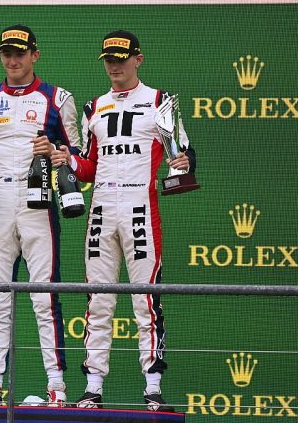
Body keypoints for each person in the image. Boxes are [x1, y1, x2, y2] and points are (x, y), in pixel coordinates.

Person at [52, 30, 195, 412]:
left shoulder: (160, 102)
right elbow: (88, 167)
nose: (114, 65)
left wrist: (184, 162)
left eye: (121, 58)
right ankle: (92, 387)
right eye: (109, 60)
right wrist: (67, 160)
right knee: (98, 299)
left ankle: (153, 387)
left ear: (138, 59)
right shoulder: (93, 107)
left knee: (146, 299)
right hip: (101, 206)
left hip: (139, 205)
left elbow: (182, 153)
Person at [0, 25, 81, 407]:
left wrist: (57, 151)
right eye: (7, 53)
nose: (13, 60)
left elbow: (78, 154)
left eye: (20, 53)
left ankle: (56, 386)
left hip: (38, 198)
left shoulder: (57, 98)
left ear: (34, 55)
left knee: (44, 296)